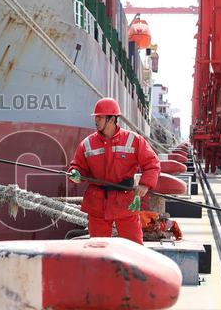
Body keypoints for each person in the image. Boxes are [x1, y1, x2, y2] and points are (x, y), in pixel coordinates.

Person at [68, 98, 161, 245]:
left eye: (100, 117)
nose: (96, 120)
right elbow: (78, 167)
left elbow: (152, 163)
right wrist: (75, 173)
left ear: (112, 119)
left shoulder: (133, 140)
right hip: (97, 203)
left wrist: (145, 185)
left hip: (125, 201)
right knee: (98, 248)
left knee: (133, 246)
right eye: (96, 117)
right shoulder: (87, 144)